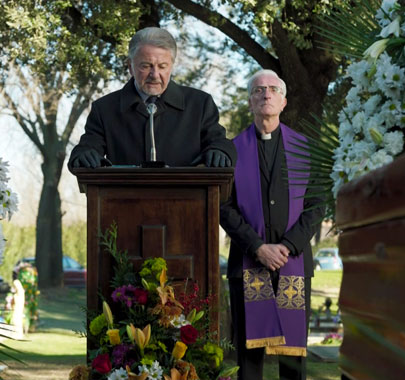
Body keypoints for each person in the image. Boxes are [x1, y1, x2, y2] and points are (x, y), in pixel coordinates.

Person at [220, 70, 323, 380]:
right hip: (249, 262)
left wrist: (288, 246)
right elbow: (224, 207)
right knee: (249, 359)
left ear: (283, 101)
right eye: (258, 90)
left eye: (272, 89)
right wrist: (258, 247)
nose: (266, 94)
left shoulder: (306, 149)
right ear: (251, 101)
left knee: (293, 358)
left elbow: (317, 206)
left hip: (294, 264)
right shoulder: (231, 151)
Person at [68, 27, 235, 169]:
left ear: (171, 66)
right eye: (146, 66)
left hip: (186, 203)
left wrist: (220, 150)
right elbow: (88, 146)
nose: (155, 75)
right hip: (124, 202)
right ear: (130, 67)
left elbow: (218, 141)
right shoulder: (104, 109)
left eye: (162, 66)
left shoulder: (200, 104)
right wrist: (83, 155)